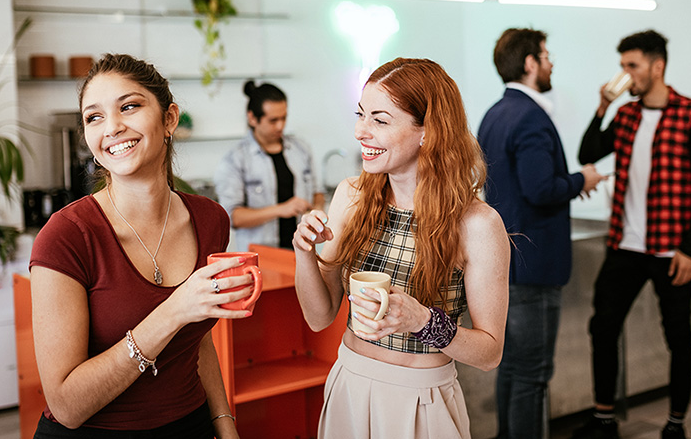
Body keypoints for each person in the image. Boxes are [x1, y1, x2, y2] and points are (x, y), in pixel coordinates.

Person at [29, 54, 253, 439]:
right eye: (93, 117)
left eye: (129, 107)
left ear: (169, 119)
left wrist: (224, 423)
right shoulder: (66, 236)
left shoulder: (211, 219)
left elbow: (196, 342)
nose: (112, 127)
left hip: (191, 426)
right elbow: (66, 406)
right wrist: (173, 311)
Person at [292, 58, 510, 439]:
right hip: (349, 383)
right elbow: (318, 316)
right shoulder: (352, 196)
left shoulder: (477, 224)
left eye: (380, 120)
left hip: (420, 400)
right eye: (361, 115)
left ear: (427, 131)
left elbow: (490, 353)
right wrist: (304, 252)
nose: (361, 131)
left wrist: (423, 322)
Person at [573, 30, 691, 439]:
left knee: (677, 335)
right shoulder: (626, 115)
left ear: (658, 66)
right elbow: (587, 154)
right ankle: (604, 418)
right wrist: (603, 106)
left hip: (672, 251)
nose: (625, 74)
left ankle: (675, 424)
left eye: (631, 66)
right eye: (622, 66)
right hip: (625, 246)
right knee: (603, 327)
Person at [478, 28, 605, 439]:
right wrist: (580, 179)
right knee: (533, 375)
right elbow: (539, 188)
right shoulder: (531, 116)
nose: (551, 63)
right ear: (530, 63)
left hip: (504, 262)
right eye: (546, 55)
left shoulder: (494, 114)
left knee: (511, 364)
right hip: (534, 264)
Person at [214, 80, 325, 252]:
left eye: (284, 118)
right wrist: (281, 209)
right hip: (261, 255)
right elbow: (232, 217)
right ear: (252, 118)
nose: (280, 126)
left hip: (302, 251)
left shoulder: (301, 149)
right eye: (273, 120)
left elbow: (317, 193)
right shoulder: (235, 159)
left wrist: (316, 211)